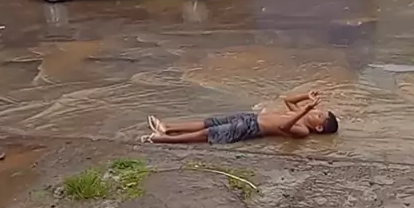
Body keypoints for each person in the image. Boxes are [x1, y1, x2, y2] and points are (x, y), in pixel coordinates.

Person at [142, 90, 338, 145]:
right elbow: (287, 100)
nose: (315, 111)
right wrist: (306, 97)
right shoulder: (298, 112)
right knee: (210, 122)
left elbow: (284, 128)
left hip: (251, 129)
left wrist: (304, 110)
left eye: (319, 115)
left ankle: (164, 139)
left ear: (319, 127)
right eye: (318, 110)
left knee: (208, 133)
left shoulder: (303, 131)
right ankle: (168, 127)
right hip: (250, 117)